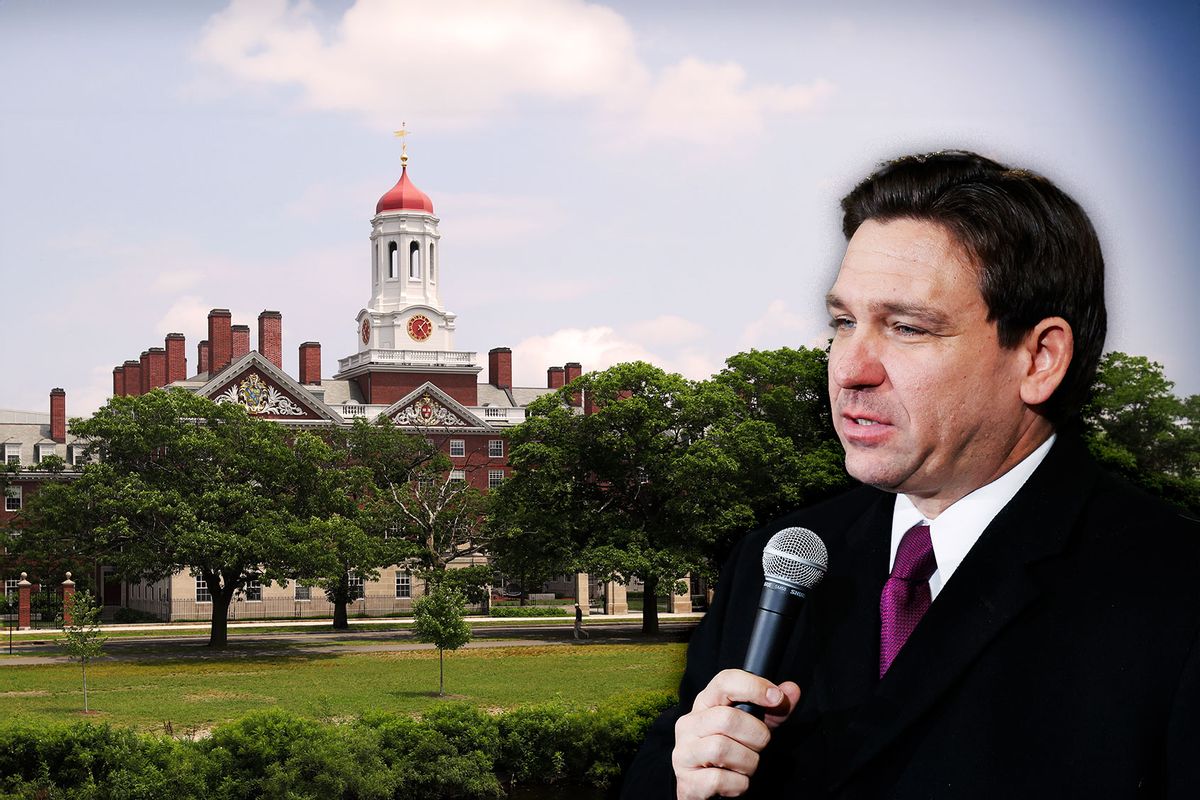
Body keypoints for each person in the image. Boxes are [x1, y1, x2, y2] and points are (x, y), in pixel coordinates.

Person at [621, 151, 1200, 799]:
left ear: (1040, 358)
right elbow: (661, 764)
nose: (850, 368)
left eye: (906, 328)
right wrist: (681, 780)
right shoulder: (778, 557)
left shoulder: (1178, 594)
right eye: (843, 322)